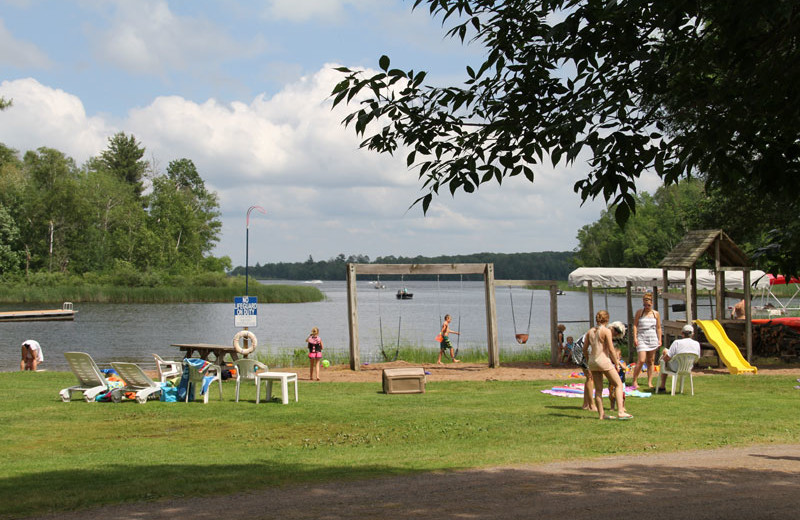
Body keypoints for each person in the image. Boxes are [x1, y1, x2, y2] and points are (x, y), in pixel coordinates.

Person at [584, 311, 632, 420]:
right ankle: (620, 411)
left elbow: (584, 349)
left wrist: (588, 360)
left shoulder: (590, 331)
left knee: (599, 389)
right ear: (607, 319)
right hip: (603, 360)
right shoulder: (606, 331)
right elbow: (611, 349)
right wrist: (617, 363)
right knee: (618, 384)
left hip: (592, 361)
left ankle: (601, 415)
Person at [657, 324, 701, 392]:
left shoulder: (677, 342)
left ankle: (662, 386)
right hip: (688, 367)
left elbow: (668, 357)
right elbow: (697, 359)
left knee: (664, 358)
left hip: (675, 367)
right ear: (692, 334)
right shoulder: (696, 344)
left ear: (682, 333)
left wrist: (663, 357)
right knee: (666, 356)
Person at [631, 292, 662, 389]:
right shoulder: (639, 313)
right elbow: (635, 325)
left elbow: (658, 327)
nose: (646, 306)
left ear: (652, 303)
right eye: (644, 304)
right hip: (642, 337)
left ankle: (650, 382)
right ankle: (634, 380)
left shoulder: (655, 314)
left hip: (652, 337)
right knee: (641, 360)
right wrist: (635, 337)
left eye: (648, 305)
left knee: (651, 360)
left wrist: (659, 339)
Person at [607, 322, 627, 411]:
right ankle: (612, 407)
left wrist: (618, 362)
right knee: (611, 395)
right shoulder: (610, 363)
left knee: (622, 395)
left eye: (617, 356)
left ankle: (622, 407)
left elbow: (624, 368)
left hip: (621, 381)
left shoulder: (621, 362)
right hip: (612, 382)